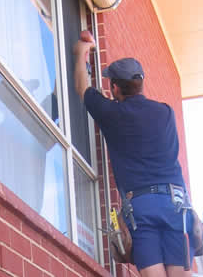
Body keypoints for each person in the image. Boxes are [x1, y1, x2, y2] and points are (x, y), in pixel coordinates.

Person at [73, 31, 195, 277]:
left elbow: (81, 87)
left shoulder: (112, 114)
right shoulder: (165, 113)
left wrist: (81, 52)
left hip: (142, 207)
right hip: (176, 203)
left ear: (115, 87)